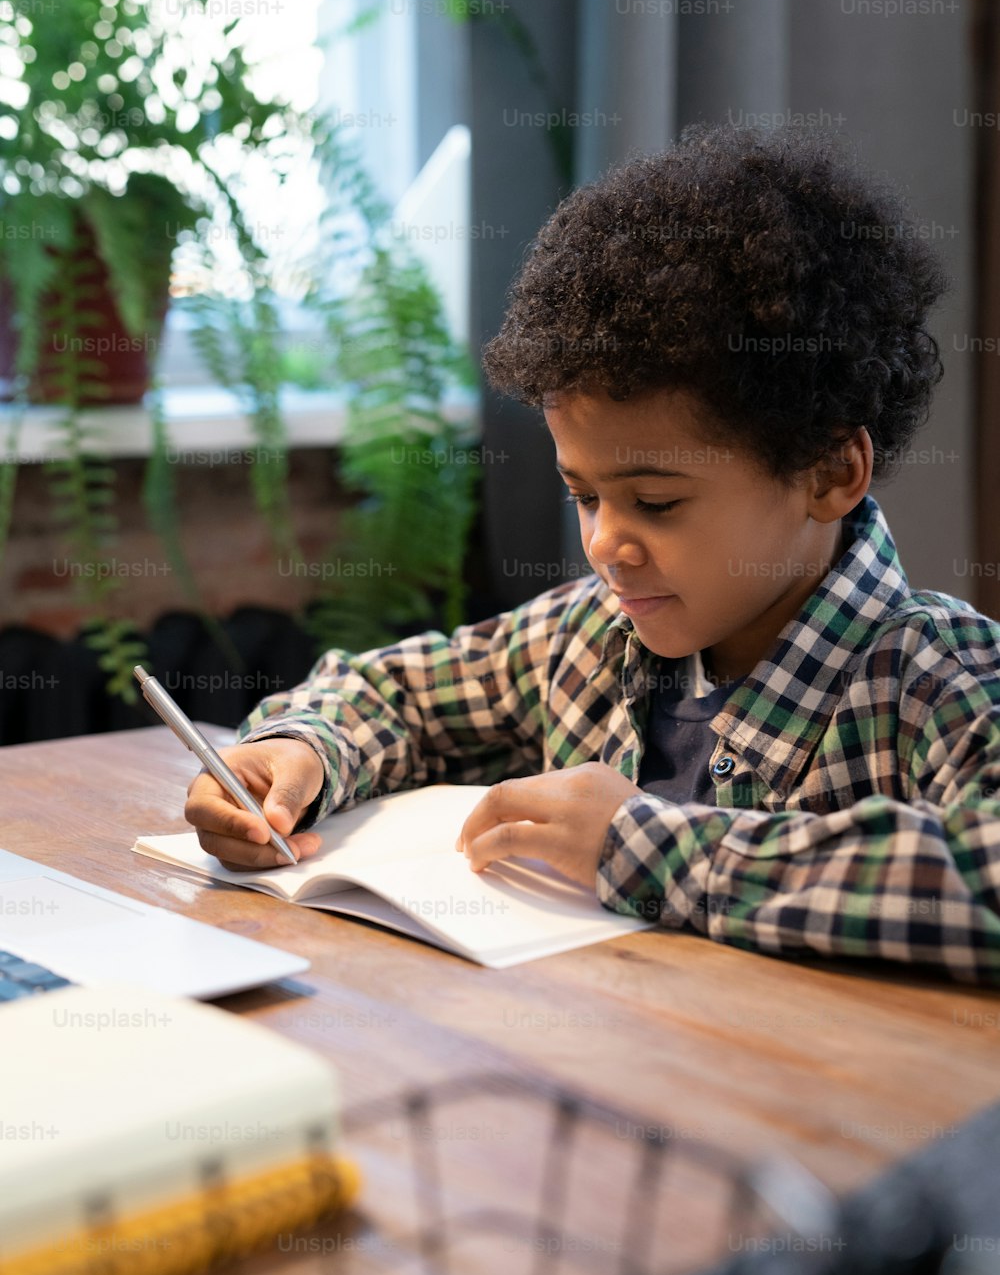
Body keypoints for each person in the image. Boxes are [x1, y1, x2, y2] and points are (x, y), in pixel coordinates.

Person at [184, 122, 1000, 984]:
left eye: (656, 501)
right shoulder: (588, 636)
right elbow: (397, 694)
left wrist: (644, 847)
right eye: (584, 496)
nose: (607, 542)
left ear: (829, 471)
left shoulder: (933, 679)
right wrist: (299, 752)